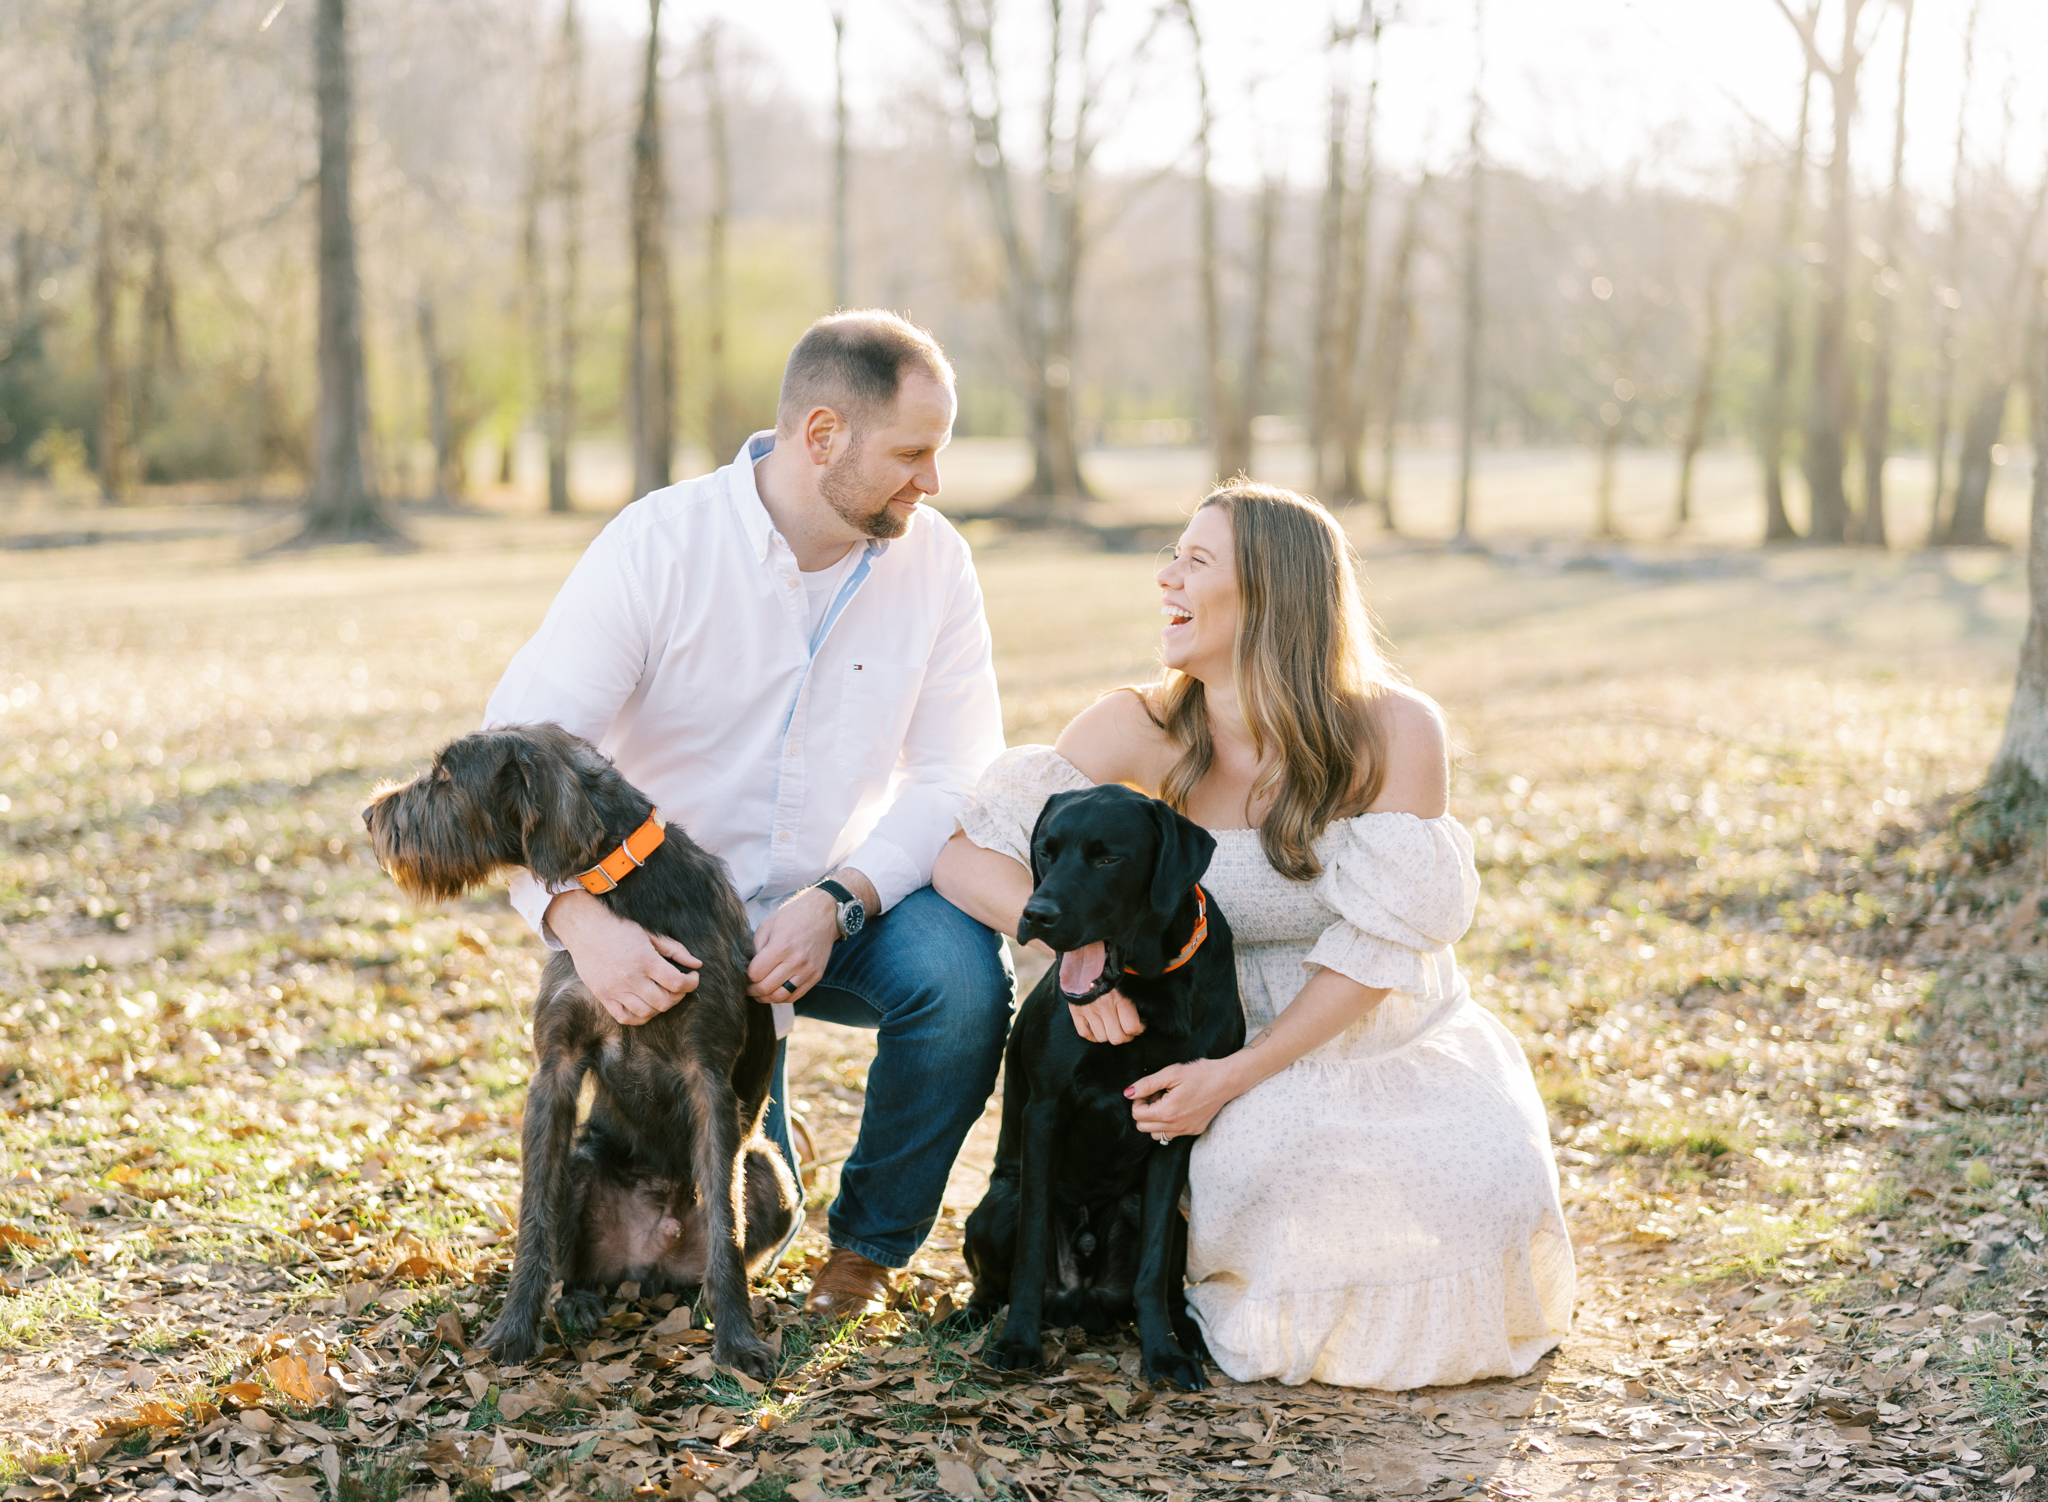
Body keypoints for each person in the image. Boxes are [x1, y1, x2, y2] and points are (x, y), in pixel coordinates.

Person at [932, 482, 1574, 1388]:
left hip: (1374, 1021)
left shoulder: (1395, 730)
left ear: (1274, 594)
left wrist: (1236, 1074)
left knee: (1476, 1190)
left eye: (1196, 561)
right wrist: (1093, 969)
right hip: (1201, 1016)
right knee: (1259, 1176)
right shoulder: (1140, 726)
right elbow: (967, 861)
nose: (1167, 578)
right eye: (1172, 556)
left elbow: (1384, 945)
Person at [483, 310, 1011, 1319]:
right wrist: (580, 923)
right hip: (663, 928)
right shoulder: (659, 545)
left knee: (957, 974)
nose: (930, 482)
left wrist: (842, 897)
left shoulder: (935, 564)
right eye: (911, 452)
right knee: (659, 1144)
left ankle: (862, 1252)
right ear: (822, 436)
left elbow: (955, 767)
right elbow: (512, 765)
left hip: (829, 910)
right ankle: (706, 1152)